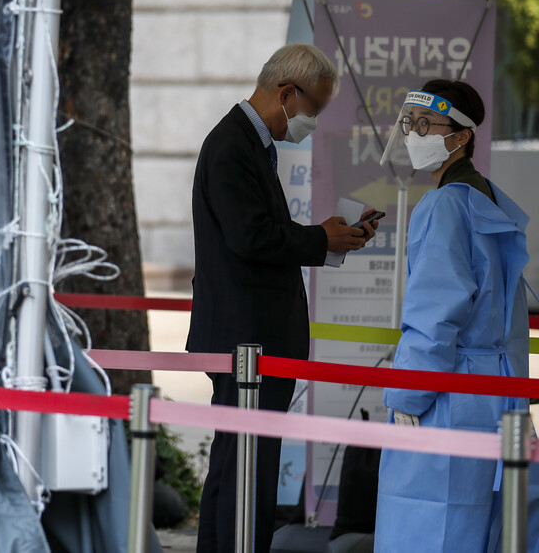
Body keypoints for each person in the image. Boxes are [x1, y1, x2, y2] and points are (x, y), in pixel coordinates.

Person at [187, 43, 378, 553]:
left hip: (252, 337)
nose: (311, 120)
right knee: (246, 470)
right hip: (245, 342)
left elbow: (260, 231)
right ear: (286, 92)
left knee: (238, 467)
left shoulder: (248, 144)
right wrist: (320, 240)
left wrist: (324, 235)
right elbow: (250, 237)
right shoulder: (232, 145)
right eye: (313, 107)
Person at [374, 80, 531, 552]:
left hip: (446, 390)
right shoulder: (490, 199)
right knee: (483, 528)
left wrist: (407, 394)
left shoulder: (444, 205)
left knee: (427, 527)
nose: (412, 133)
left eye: (425, 124)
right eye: (409, 123)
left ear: (460, 136)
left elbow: (435, 313)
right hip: (495, 392)